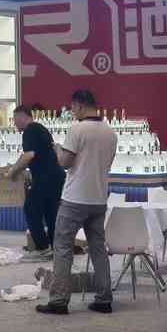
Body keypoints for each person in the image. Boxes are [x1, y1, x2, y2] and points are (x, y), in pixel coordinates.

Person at [36, 89, 117, 316]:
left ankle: (59, 300)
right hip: (99, 198)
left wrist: (57, 149)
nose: (72, 112)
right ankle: (104, 299)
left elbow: (65, 162)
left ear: (80, 105)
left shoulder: (77, 130)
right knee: (98, 249)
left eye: (73, 108)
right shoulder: (110, 133)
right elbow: (107, 164)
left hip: (74, 199)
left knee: (62, 247)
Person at [0, 104, 64, 254]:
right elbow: (41, 155)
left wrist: (12, 171)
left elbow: (29, 155)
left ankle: (42, 247)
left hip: (45, 178)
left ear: (23, 116)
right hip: (56, 177)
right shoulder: (41, 129)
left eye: (15, 119)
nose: (15, 123)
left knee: (31, 209)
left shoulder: (29, 131)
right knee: (51, 213)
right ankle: (54, 248)